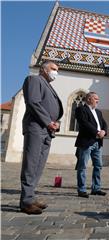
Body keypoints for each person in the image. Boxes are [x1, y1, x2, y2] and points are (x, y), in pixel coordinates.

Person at [20, 61, 63, 214]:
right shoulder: (34, 80)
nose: (56, 72)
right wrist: (48, 121)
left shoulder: (48, 85)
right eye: (53, 69)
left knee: (39, 165)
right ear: (44, 69)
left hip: (47, 130)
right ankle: (26, 201)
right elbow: (33, 102)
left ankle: (30, 197)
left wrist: (55, 123)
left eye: (57, 70)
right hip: (36, 128)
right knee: (31, 164)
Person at [75, 92, 108, 198]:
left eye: (98, 98)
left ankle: (96, 188)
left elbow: (104, 124)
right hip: (86, 142)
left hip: (98, 142)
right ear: (89, 99)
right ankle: (82, 189)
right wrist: (97, 132)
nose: (98, 100)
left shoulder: (98, 112)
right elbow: (84, 124)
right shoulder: (81, 109)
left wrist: (104, 131)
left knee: (98, 166)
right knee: (82, 166)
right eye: (96, 98)